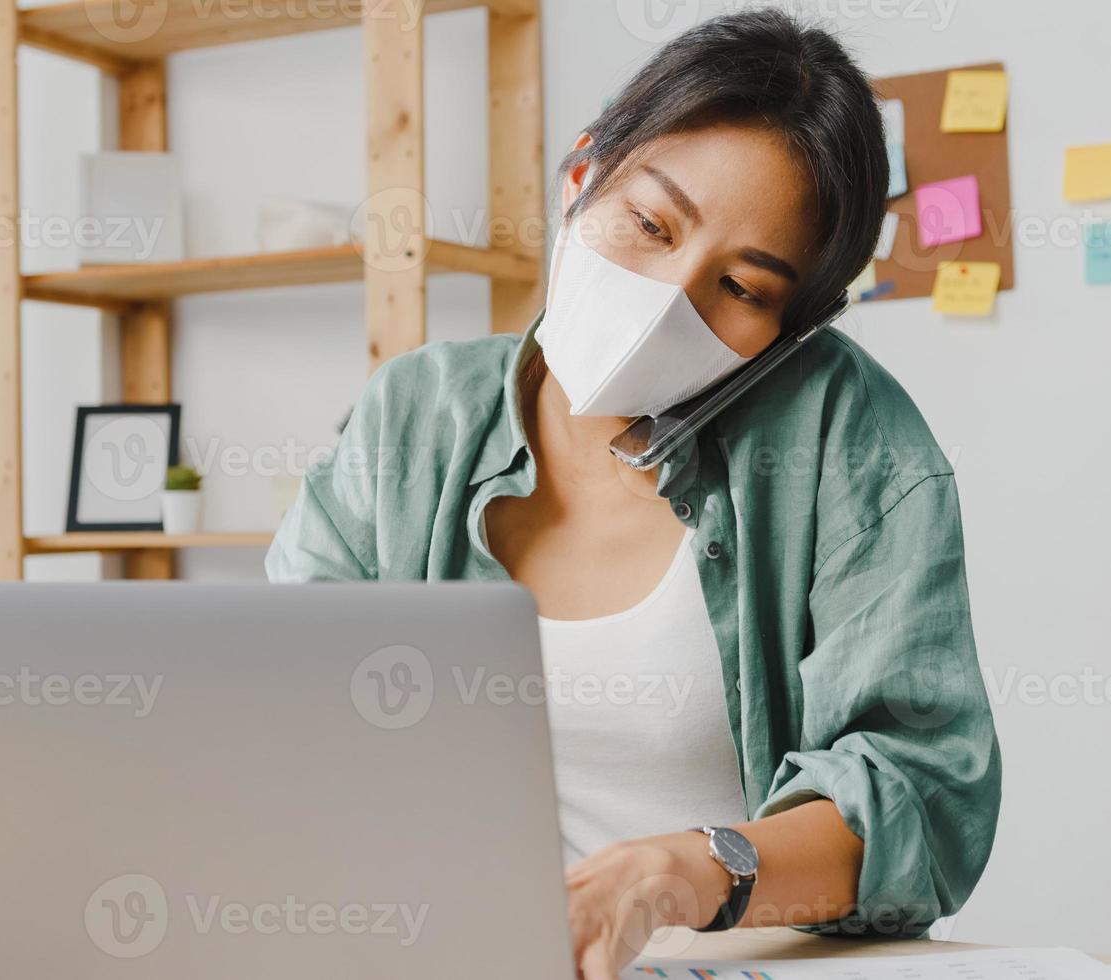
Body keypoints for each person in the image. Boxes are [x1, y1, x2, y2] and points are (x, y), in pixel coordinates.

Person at [268, 10, 1000, 977]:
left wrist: (687, 872)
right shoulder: (417, 414)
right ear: (582, 174)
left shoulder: (844, 437)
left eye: (740, 287)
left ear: (792, 329)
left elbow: (923, 804)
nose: (668, 296)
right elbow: (283, 706)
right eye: (649, 224)